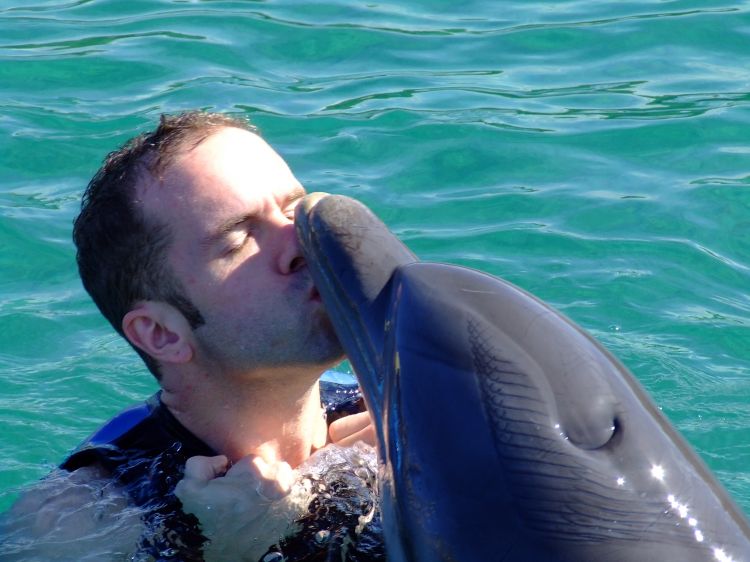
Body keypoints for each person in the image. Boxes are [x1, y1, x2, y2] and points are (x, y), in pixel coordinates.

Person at [2, 111, 378, 561]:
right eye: (239, 239)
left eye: (294, 208)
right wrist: (232, 552)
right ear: (161, 333)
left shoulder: (395, 412)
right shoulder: (77, 525)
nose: (299, 242)